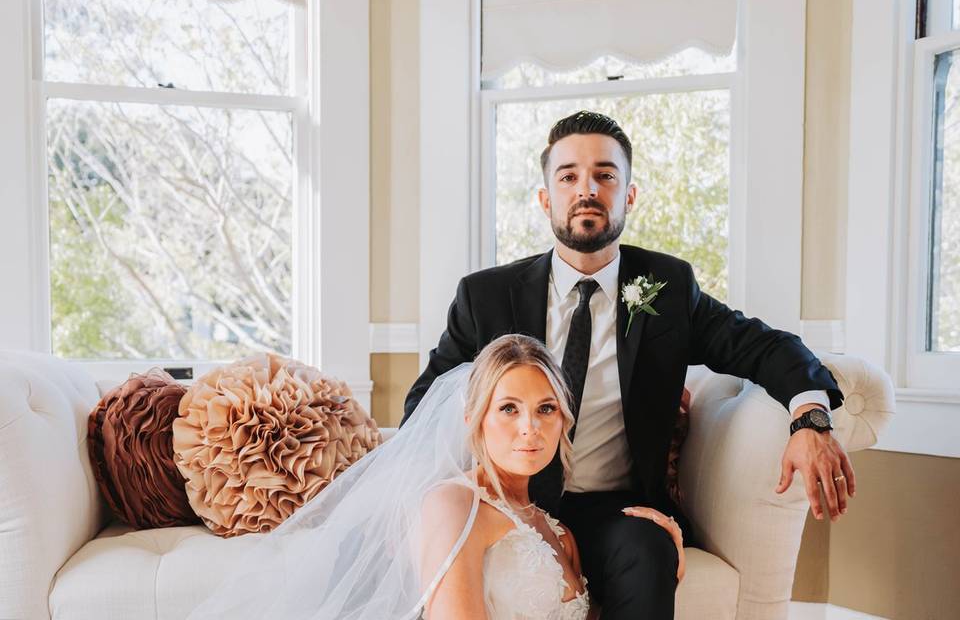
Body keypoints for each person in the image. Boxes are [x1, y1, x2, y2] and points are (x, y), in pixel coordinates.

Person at [403, 110, 855, 619]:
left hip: (613, 509)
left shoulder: (669, 288)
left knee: (647, 547)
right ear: (545, 198)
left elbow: (765, 346)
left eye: (605, 175)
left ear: (629, 195)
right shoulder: (485, 296)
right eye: (568, 176)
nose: (586, 189)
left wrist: (810, 417)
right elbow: (425, 405)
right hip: (508, 500)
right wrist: (478, 493)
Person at [187, 335, 682, 619]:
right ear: (474, 419)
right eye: (508, 408)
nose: (529, 427)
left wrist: (668, 546)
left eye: (545, 409)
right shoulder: (453, 504)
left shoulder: (560, 535)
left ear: (563, 422)